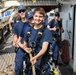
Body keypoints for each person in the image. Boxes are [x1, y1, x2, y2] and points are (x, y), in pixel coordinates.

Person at [18, 7, 53, 75]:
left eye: (40, 16)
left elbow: (44, 48)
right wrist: (26, 49)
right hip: (31, 64)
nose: (38, 18)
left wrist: (36, 57)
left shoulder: (46, 31)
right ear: (33, 16)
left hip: (42, 65)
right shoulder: (28, 31)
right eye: (36, 16)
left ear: (43, 18)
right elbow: (25, 44)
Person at [12, 5, 28, 75]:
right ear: (18, 13)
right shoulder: (17, 25)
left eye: (23, 11)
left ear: (26, 11)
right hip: (20, 48)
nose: (22, 12)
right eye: (20, 11)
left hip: (29, 47)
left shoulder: (31, 23)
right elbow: (15, 36)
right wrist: (15, 42)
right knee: (18, 67)